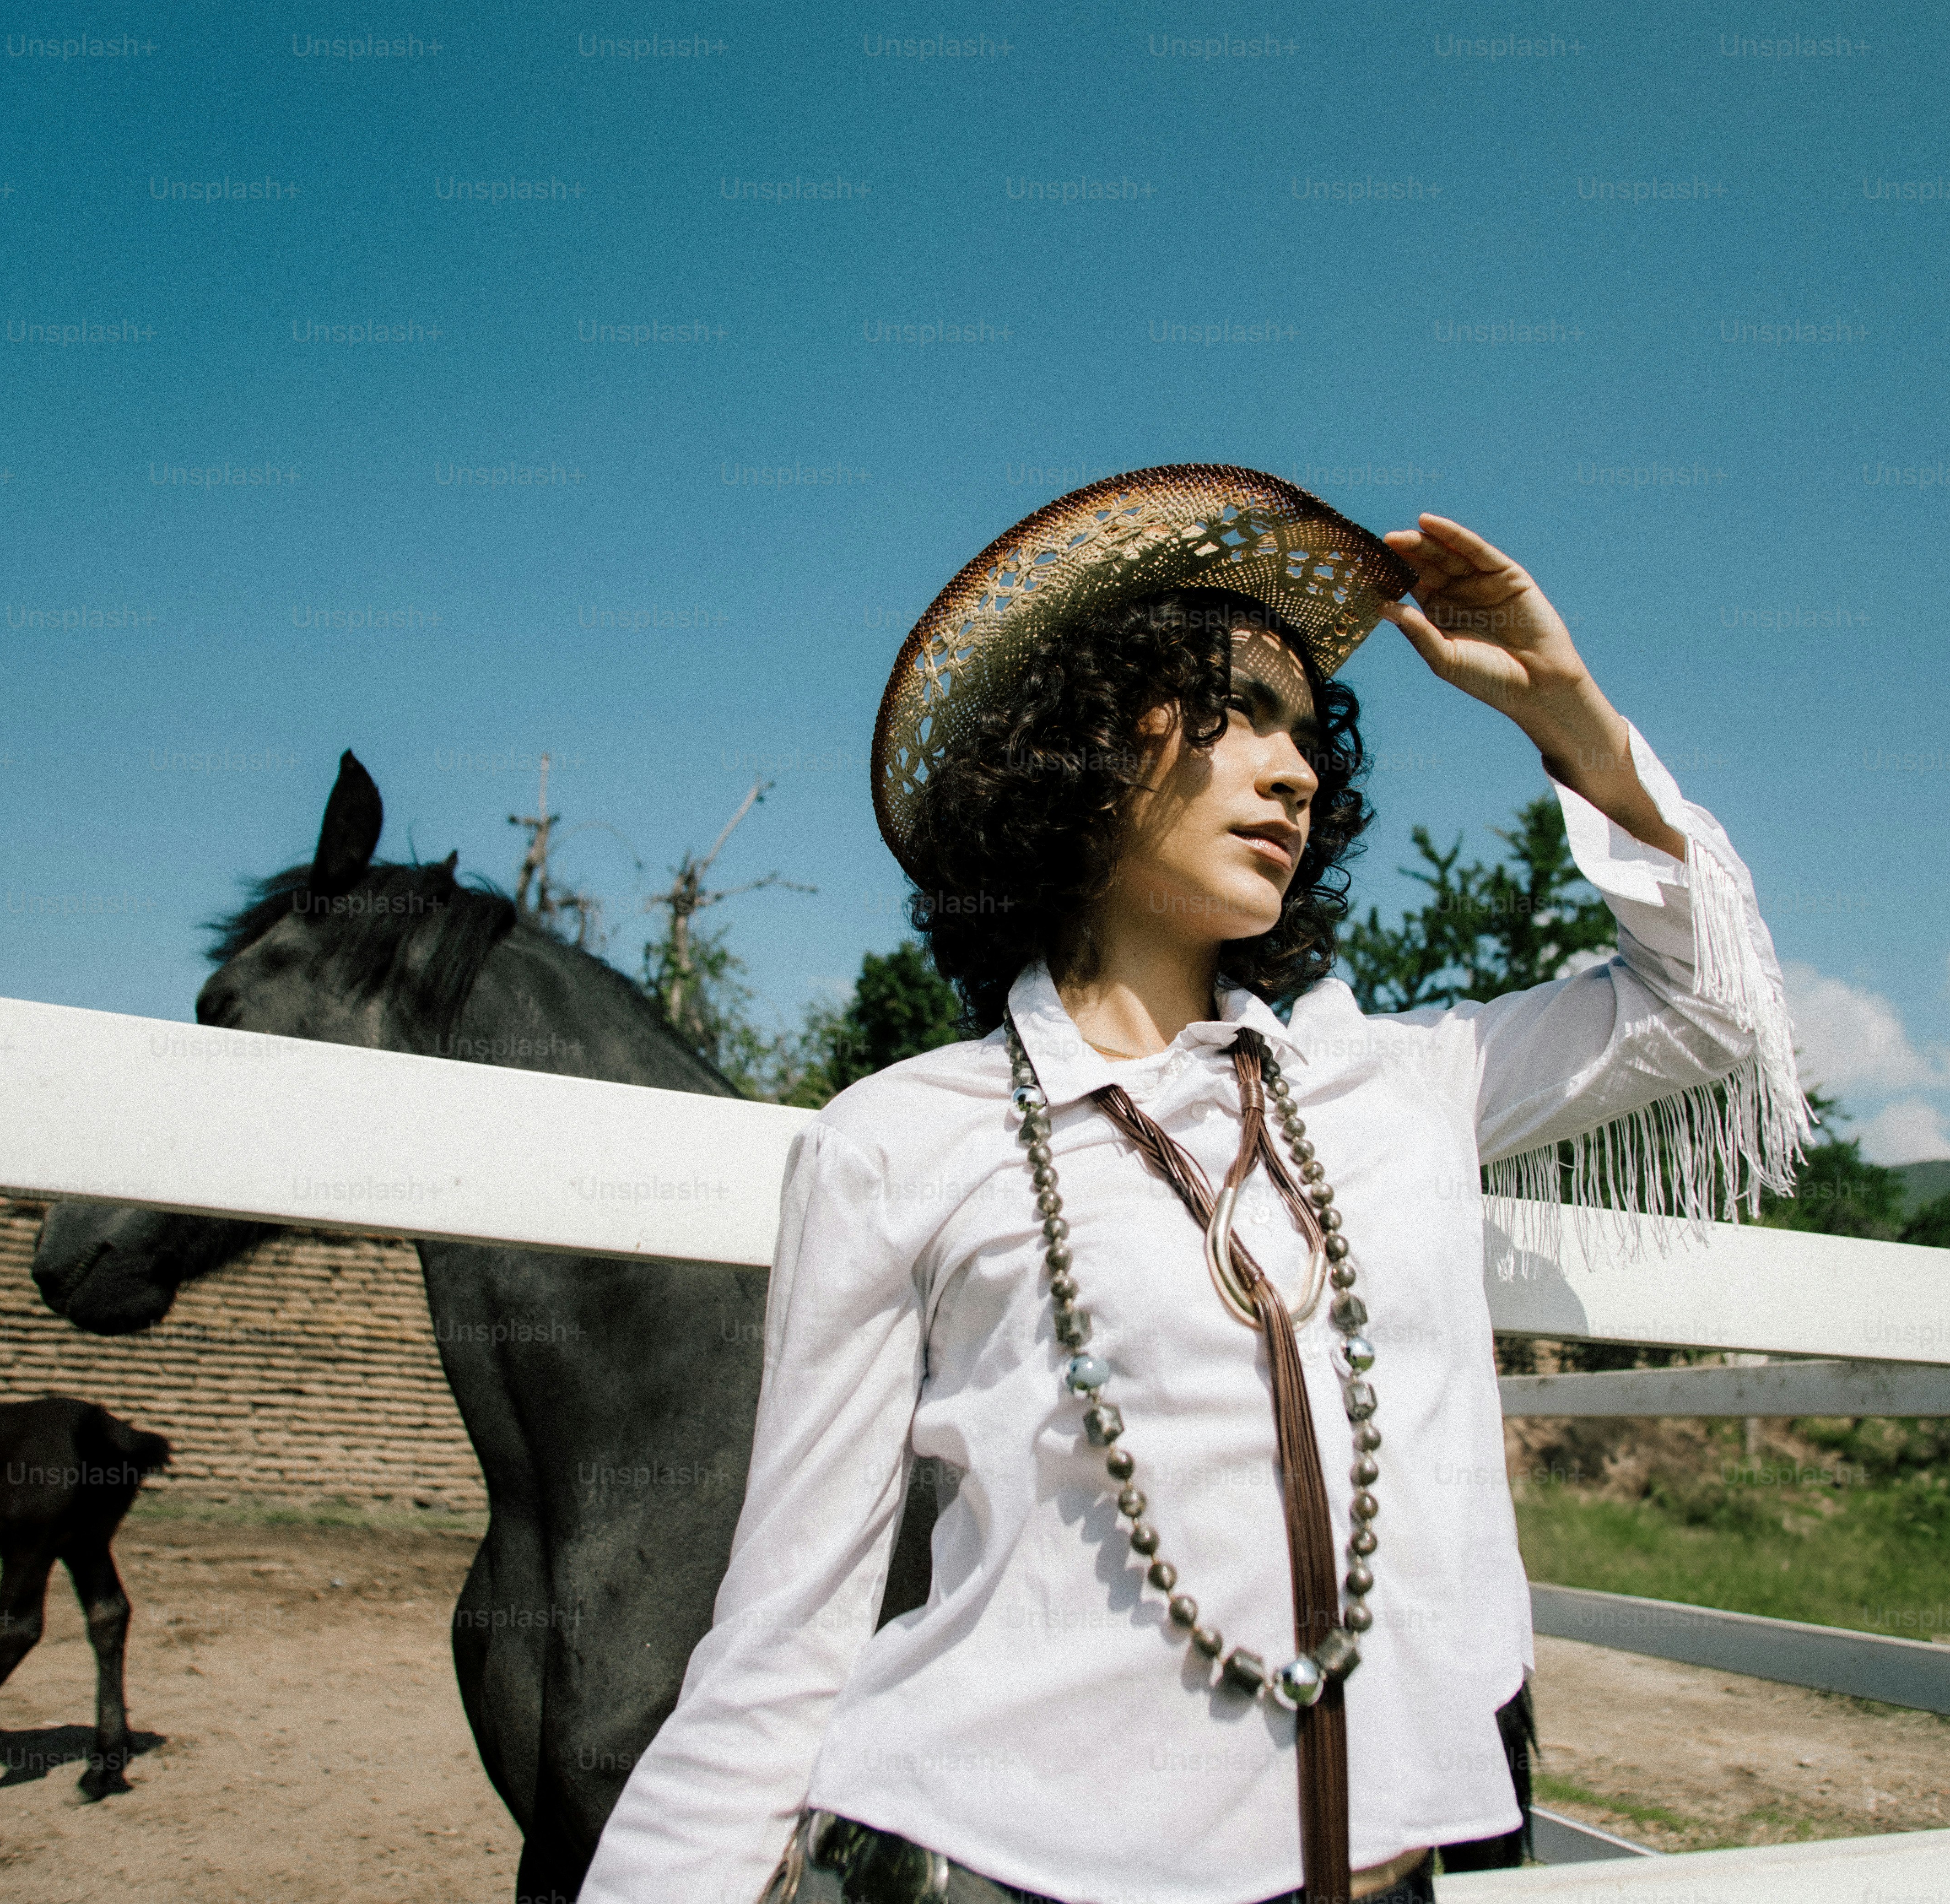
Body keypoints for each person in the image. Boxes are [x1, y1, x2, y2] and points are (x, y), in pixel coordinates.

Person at [576, 467, 1804, 1904]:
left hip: (1396, 1863)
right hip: (1013, 1870)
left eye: (1308, 739)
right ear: (1085, 744)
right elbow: (786, 1630)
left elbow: (1715, 1000)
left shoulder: (1398, 1082)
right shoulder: (898, 1140)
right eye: (1242, 717)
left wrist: (1566, 709)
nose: (1297, 773)